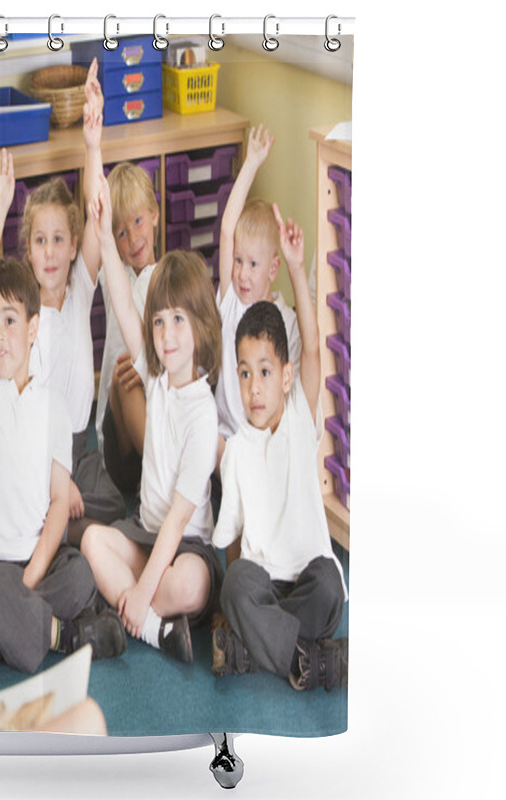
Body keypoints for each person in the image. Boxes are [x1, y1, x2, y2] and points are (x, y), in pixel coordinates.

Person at [0, 149, 127, 676]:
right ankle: (66, 634)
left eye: (11, 322)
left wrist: (93, 142)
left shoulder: (78, 295)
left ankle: (6, 628)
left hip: (55, 502)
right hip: (5, 529)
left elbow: (60, 503)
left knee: (78, 564)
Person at [81, 176, 224, 664]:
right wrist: (102, 231)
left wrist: (141, 590)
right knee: (93, 540)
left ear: (201, 327)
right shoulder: (156, 376)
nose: (166, 335)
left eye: (179, 321)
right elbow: (121, 299)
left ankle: (132, 610)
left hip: (186, 546)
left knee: (191, 583)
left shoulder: (203, 414)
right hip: (145, 533)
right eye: (159, 322)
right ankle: (156, 631)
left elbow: (181, 519)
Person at [211, 204, 348, 691]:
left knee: (331, 588)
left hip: (306, 573)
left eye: (265, 373)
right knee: (236, 586)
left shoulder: (296, 416)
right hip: (264, 579)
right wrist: (233, 600)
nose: (253, 388)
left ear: (285, 378)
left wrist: (294, 263)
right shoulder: (237, 448)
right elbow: (230, 544)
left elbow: (312, 347)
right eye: (244, 373)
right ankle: (307, 660)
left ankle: (253, 647)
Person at [22, 59, 125, 545]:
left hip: (81, 451)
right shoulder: (25, 314)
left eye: (58, 239)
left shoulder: (82, 288)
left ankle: (57, 526)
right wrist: (54, 478)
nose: (49, 251)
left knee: (114, 502)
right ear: (27, 249)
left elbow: (93, 205)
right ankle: (57, 520)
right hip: (40, 452)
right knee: (48, 500)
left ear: (73, 243)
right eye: (39, 240)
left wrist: (93, 144)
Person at [215, 124, 302, 461]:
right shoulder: (231, 301)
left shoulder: (286, 320)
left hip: (262, 446)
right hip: (225, 442)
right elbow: (226, 230)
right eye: (238, 261)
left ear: (273, 269)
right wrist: (251, 163)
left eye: (252, 264)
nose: (241, 273)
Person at [95, 160, 160, 497]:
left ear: (155, 215)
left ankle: (166, 473)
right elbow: (96, 204)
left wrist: (149, 370)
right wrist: (93, 147)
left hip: (159, 420)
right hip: (121, 441)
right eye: (121, 232)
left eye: (138, 222)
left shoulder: (167, 279)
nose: (133, 237)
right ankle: (164, 479)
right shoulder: (115, 276)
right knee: (124, 379)